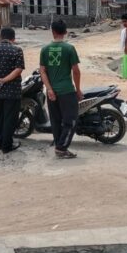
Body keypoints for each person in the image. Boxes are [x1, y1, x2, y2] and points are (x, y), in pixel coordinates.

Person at [40, 19, 83, 159]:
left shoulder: (45, 49)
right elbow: (76, 71)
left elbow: (42, 71)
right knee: (71, 120)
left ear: (52, 32)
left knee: (56, 121)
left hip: (52, 92)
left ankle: (59, 145)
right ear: (65, 32)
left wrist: (49, 89)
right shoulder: (69, 49)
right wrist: (78, 89)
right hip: (66, 91)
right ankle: (61, 148)